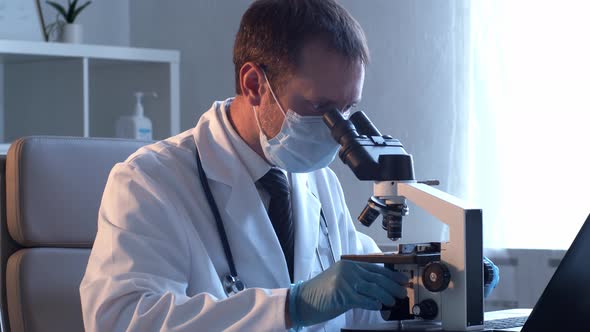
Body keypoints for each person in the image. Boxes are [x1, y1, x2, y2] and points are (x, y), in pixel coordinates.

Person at [80, 0, 498, 331]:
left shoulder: (319, 182)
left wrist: (442, 288)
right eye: (319, 107)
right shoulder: (150, 181)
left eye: (348, 109)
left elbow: (361, 312)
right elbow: (124, 320)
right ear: (254, 85)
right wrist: (291, 307)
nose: (337, 129)